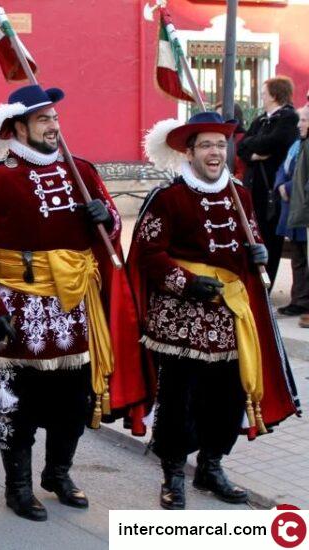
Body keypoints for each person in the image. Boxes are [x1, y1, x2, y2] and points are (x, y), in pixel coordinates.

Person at [0, 85, 142, 521]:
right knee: (17, 404)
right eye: (43, 120)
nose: (54, 126)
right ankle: (17, 485)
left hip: (75, 310)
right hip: (18, 308)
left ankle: (58, 473)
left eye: (55, 118)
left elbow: (112, 226)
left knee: (74, 403)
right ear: (18, 128)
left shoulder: (82, 171)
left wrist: (106, 218)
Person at [133, 111, 300, 509]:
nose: (214, 153)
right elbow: (147, 253)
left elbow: (251, 237)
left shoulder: (239, 193)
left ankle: (211, 465)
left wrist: (257, 251)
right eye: (206, 145)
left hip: (231, 317)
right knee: (178, 399)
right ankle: (173, 472)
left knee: (226, 397)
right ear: (188, 152)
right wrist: (186, 283)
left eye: (220, 145)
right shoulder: (169, 197)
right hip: (180, 321)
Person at [237, 76, 299, 284]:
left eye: (264, 93)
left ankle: (266, 284)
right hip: (253, 188)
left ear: (274, 95)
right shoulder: (262, 119)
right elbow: (242, 146)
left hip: (272, 192)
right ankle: (253, 280)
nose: (262, 97)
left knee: (270, 240)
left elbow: (275, 142)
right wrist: (254, 154)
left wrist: (256, 146)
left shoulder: (289, 118)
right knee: (252, 235)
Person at [274, 106, 309, 316]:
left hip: (303, 209)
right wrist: (280, 185)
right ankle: (299, 300)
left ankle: (304, 302)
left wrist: (288, 188)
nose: (299, 124)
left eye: (303, 120)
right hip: (293, 209)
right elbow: (283, 168)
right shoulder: (298, 145)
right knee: (298, 257)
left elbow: (303, 178)